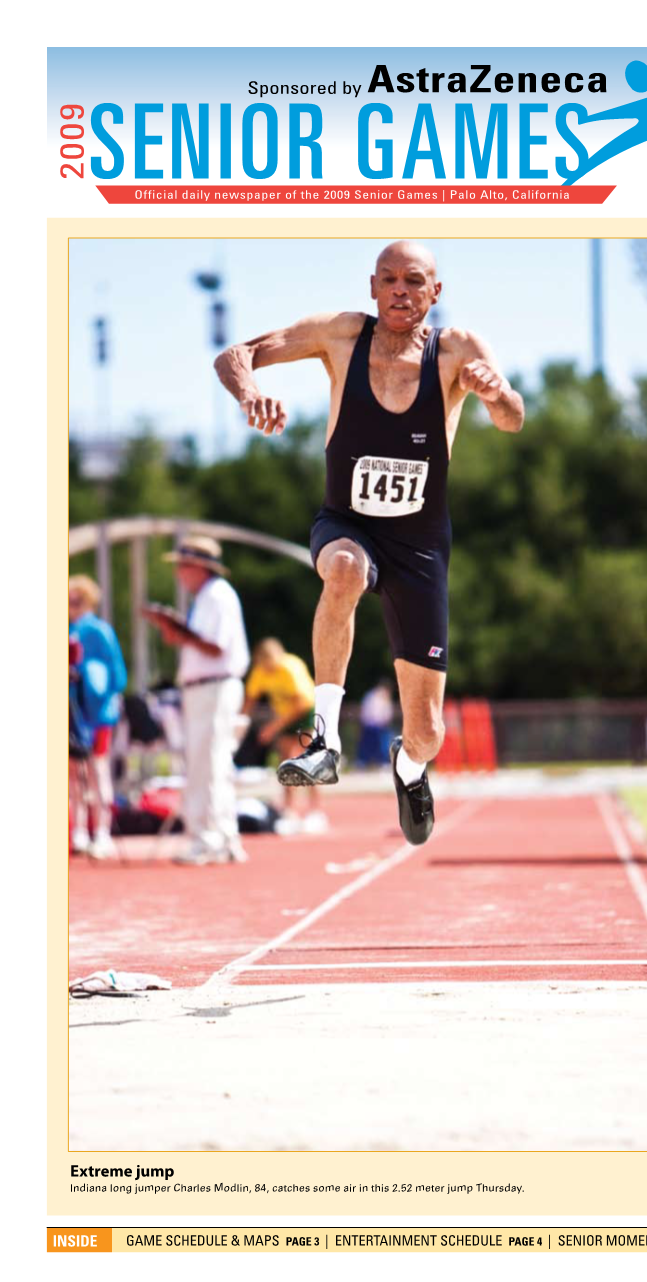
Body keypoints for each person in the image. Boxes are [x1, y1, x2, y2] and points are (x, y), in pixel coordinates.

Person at [214, 241, 524, 844]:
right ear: (373, 287)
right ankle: (324, 739)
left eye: (415, 280)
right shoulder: (341, 337)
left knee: (427, 729)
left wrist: (494, 394)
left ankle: (408, 769)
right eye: (389, 279)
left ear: (435, 292)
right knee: (346, 570)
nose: (401, 290)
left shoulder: (456, 350)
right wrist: (250, 394)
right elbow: (236, 354)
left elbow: (513, 417)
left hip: (421, 546)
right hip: (347, 523)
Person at [143, 536, 250, 865]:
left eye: (183, 565)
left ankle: (207, 839)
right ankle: (224, 837)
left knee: (207, 763)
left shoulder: (216, 595)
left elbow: (213, 647)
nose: (179, 572)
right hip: (209, 687)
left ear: (198, 567)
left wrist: (177, 628)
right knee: (213, 762)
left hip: (213, 687)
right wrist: (178, 630)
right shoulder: (211, 596)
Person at [69, 575, 127, 859]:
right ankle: (77, 830)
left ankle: (102, 831)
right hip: (70, 713)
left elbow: (116, 675)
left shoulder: (99, 631)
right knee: (72, 775)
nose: (72, 603)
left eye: (77, 598)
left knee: (97, 770)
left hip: (96, 715)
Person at [243, 637, 326, 832]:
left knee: (307, 759)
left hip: (305, 711)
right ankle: (290, 811)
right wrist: (239, 724)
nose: (268, 669)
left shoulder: (290, 667)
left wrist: (273, 727)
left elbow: (300, 704)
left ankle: (316, 811)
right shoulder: (261, 671)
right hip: (284, 715)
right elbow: (250, 699)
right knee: (286, 762)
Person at [356, 678, 395, 768]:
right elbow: (367, 711)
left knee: (382, 745)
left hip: (381, 726)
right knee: (367, 744)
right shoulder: (372, 696)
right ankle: (362, 761)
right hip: (370, 725)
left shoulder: (385, 697)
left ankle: (383, 762)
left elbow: (387, 712)